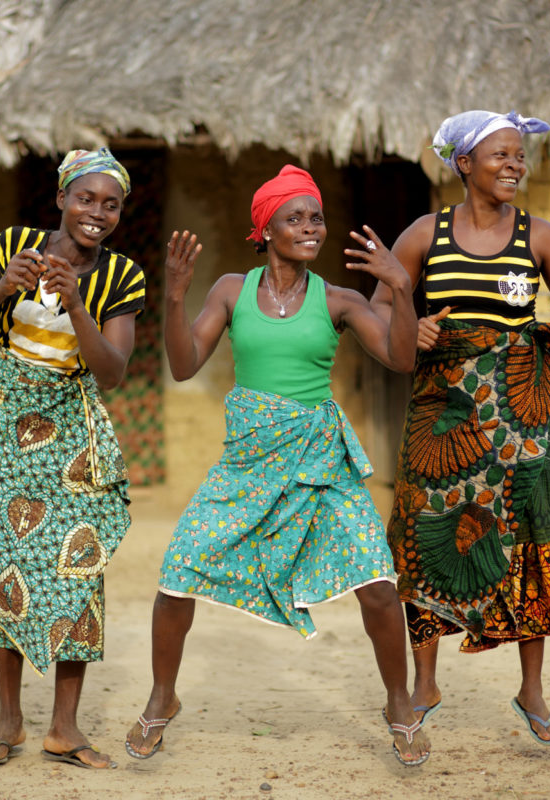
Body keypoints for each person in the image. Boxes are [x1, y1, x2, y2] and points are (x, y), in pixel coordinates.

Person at [124, 165, 431, 767]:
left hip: (321, 465)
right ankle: (163, 696)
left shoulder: (338, 300)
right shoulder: (233, 290)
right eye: (295, 218)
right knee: (178, 572)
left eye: (316, 217)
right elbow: (184, 366)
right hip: (247, 463)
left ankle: (399, 703)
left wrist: (399, 286)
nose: (310, 227)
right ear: (265, 229)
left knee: (377, 582)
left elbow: (400, 359)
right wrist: (177, 295)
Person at [371, 110, 550, 747]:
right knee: (421, 539)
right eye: (501, 155)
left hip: (520, 421)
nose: (514, 165)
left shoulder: (541, 238)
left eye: (520, 156)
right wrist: (408, 327)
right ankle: (425, 683)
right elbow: (380, 307)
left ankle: (531, 689)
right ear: (464, 164)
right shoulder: (425, 235)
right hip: (443, 420)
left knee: (527, 543)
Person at [0, 147, 144, 769]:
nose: (97, 213)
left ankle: (64, 728)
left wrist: (78, 303)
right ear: (60, 198)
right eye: (86, 198)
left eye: (111, 205)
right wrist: (5, 285)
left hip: (70, 430)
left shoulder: (122, 276)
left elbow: (112, 372)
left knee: (76, 565)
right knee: (0, 559)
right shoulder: (14, 246)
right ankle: (9, 723)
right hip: (3, 423)